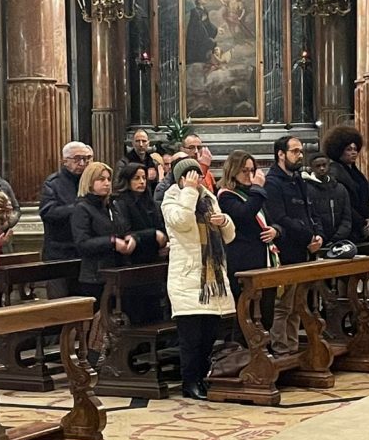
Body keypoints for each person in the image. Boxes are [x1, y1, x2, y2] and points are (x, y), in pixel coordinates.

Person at [162, 157, 235, 400]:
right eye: (190, 175)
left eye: (198, 174)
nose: (196, 178)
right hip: (187, 277)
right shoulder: (172, 199)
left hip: (211, 278)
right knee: (191, 339)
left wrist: (223, 221)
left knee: (208, 336)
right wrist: (190, 192)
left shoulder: (208, 197)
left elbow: (229, 236)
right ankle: (189, 382)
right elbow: (181, 222)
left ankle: (203, 377)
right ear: (181, 179)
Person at [262, 136, 322, 353]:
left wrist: (318, 235)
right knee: (283, 305)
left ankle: (294, 348)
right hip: (286, 250)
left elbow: (310, 211)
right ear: (281, 154)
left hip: (304, 249)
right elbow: (279, 218)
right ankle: (281, 349)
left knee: (297, 304)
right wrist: (308, 237)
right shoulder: (273, 183)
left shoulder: (298, 179)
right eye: (295, 151)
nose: (300, 155)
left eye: (300, 151)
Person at [218, 151, 279, 331]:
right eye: (245, 171)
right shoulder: (226, 195)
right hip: (243, 260)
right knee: (248, 313)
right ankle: (247, 352)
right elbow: (244, 215)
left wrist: (276, 231)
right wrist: (258, 190)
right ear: (233, 171)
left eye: (252, 170)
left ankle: (265, 349)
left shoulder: (254, 194)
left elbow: (271, 219)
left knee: (266, 311)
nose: (250, 175)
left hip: (264, 258)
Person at [71, 161, 136, 303]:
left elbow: (123, 229)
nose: (107, 183)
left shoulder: (112, 206)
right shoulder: (82, 208)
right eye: (101, 179)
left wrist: (130, 238)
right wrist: (112, 242)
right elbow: (82, 243)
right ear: (89, 182)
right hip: (95, 276)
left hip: (117, 270)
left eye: (108, 179)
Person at [40, 142, 92, 297]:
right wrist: (78, 208)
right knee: (61, 302)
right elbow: (48, 212)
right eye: (77, 159)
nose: (82, 163)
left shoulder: (92, 181)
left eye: (86, 159)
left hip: (84, 252)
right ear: (64, 161)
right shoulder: (53, 183)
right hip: (59, 252)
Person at [323, 126, 369, 244]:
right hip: (348, 227)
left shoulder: (355, 171)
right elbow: (343, 203)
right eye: (349, 149)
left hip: (360, 225)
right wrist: (361, 221)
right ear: (339, 150)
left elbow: (365, 198)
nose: (353, 152)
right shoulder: (334, 171)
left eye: (355, 149)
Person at [112, 163, 166, 265]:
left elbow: (160, 227)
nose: (141, 182)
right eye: (136, 178)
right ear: (127, 180)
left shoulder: (150, 202)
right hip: (132, 258)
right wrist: (153, 235)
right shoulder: (120, 201)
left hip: (153, 255)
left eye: (144, 178)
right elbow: (126, 233)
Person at [304, 154, 352, 247]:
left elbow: (347, 217)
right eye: (318, 166)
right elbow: (310, 217)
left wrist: (337, 237)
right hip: (317, 240)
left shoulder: (340, 188)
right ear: (311, 168)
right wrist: (319, 236)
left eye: (324, 165)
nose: (322, 168)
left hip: (339, 241)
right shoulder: (306, 189)